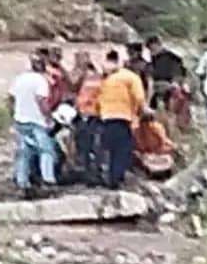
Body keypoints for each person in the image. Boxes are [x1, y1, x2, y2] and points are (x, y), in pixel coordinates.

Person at [8, 53, 57, 199]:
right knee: (46, 151)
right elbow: (41, 100)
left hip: (20, 120)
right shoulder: (41, 80)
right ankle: (48, 180)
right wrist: (48, 117)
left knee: (23, 153)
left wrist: (13, 114)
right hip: (36, 121)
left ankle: (22, 182)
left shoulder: (20, 79)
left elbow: (10, 98)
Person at [97, 50, 148, 189]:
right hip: (123, 117)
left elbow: (99, 99)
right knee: (122, 150)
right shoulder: (131, 78)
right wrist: (146, 113)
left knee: (110, 149)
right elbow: (139, 98)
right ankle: (117, 179)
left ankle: (110, 177)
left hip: (106, 117)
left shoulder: (107, 79)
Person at [73, 54, 103, 184]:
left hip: (89, 115)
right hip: (89, 114)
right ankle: (92, 172)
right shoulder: (97, 77)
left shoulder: (89, 77)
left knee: (87, 145)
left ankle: (91, 173)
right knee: (91, 146)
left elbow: (75, 90)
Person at [146, 36, 185, 111]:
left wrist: (175, 82)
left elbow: (178, 71)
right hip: (154, 90)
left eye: (153, 49)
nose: (152, 51)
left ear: (159, 45)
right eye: (150, 49)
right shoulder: (152, 60)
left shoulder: (171, 57)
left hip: (169, 89)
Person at [133, 112, 176, 178]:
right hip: (146, 155)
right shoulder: (137, 131)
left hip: (158, 152)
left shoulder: (157, 127)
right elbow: (138, 146)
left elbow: (163, 140)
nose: (147, 125)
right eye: (145, 122)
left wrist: (162, 148)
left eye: (148, 121)